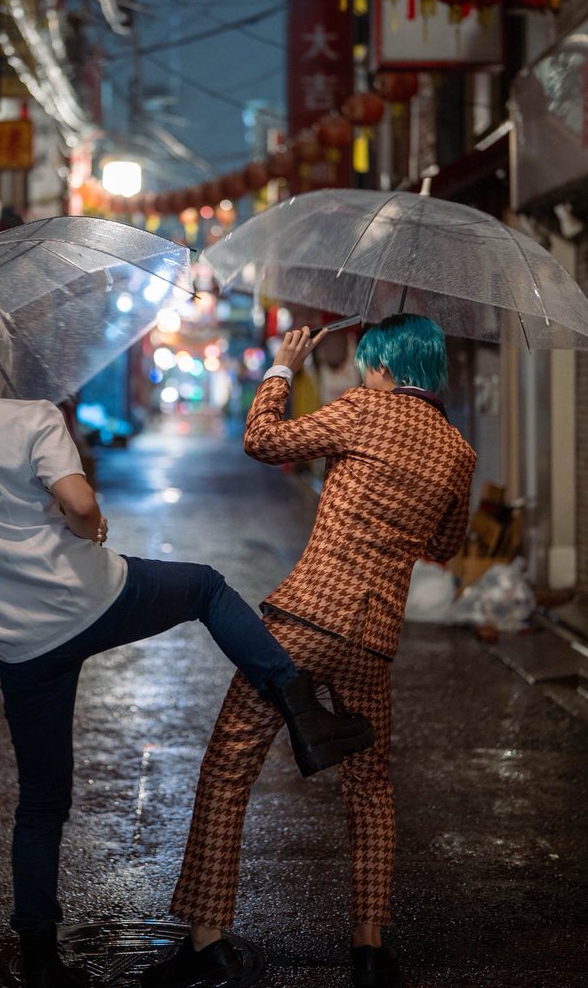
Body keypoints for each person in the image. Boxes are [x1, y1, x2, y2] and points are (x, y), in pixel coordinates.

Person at [0, 299, 374, 988]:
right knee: (203, 589)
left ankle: (41, 959)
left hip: (17, 643)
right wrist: (93, 527)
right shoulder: (31, 417)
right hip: (96, 598)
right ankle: (299, 708)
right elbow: (78, 504)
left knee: (41, 802)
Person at [144, 314, 476, 988]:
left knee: (231, 763)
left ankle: (207, 939)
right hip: (373, 641)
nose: (361, 372)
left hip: (302, 624)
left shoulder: (363, 410)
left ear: (382, 363)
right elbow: (444, 546)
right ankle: (369, 947)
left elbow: (262, 438)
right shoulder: (457, 450)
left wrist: (282, 366)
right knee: (370, 786)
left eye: (366, 362)